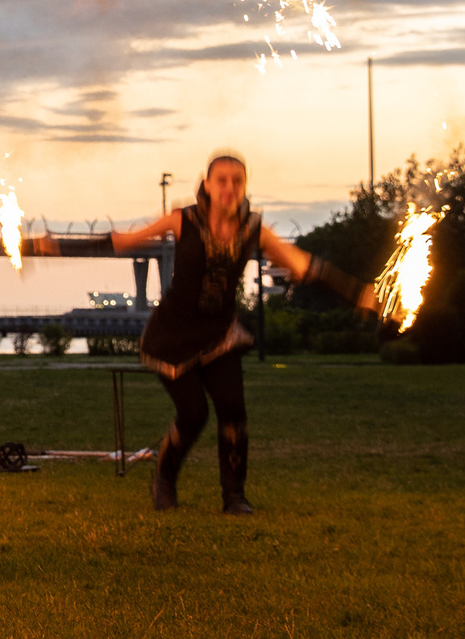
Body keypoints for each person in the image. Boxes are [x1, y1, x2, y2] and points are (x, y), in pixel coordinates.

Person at [111, 150, 376, 515]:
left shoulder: (253, 228)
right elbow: (125, 242)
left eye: (237, 181)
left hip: (220, 335)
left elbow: (300, 263)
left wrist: (356, 292)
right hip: (173, 335)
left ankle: (234, 497)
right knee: (193, 414)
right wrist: (48, 245)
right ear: (206, 184)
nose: (229, 188)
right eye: (221, 180)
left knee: (233, 409)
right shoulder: (181, 220)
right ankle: (164, 480)